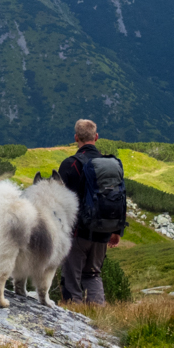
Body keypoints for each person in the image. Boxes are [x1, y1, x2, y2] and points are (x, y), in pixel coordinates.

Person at [57, 119, 124, 304]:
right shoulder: (110, 165)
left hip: (77, 233)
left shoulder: (70, 165)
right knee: (93, 275)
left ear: (76, 137)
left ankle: (73, 321)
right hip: (103, 231)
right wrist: (116, 231)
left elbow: (58, 201)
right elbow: (119, 197)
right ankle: (97, 320)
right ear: (96, 137)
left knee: (71, 279)